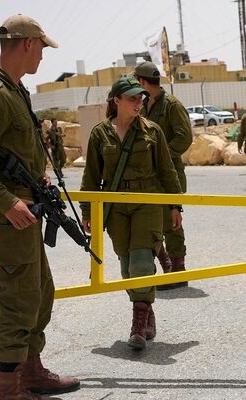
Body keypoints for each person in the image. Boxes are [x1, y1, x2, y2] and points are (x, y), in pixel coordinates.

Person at [0, 14, 80, 399]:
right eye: (41, 47)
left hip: (26, 215)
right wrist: (8, 202)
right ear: (27, 43)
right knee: (17, 301)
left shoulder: (15, 91)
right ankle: (9, 390)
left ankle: (31, 371)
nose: (43, 55)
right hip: (12, 219)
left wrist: (36, 180)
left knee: (40, 292)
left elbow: (10, 153)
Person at [80, 76, 182, 351]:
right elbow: (91, 176)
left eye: (141, 98)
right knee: (127, 265)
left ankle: (137, 325)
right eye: (132, 98)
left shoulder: (153, 131)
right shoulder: (100, 134)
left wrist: (175, 205)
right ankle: (146, 312)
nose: (138, 103)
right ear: (116, 100)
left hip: (146, 202)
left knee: (140, 261)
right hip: (115, 207)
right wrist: (88, 211)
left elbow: (167, 170)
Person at [134, 61, 193, 289]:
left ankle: (177, 270)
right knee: (150, 223)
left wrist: (161, 154)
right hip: (148, 174)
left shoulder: (171, 105)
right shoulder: (144, 104)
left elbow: (184, 137)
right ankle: (167, 265)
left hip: (169, 174)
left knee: (171, 221)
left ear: (141, 81)